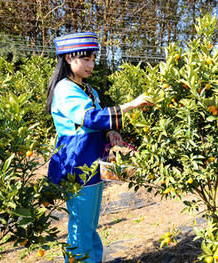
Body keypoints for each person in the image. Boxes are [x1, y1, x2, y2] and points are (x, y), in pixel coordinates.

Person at [46, 32, 153, 262]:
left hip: (92, 163)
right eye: (85, 59)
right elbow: (90, 118)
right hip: (76, 165)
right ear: (68, 59)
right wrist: (131, 104)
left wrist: (110, 133)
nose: (91, 64)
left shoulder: (89, 90)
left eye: (93, 59)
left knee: (89, 224)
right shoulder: (65, 90)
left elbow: (98, 125)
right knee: (81, 227)